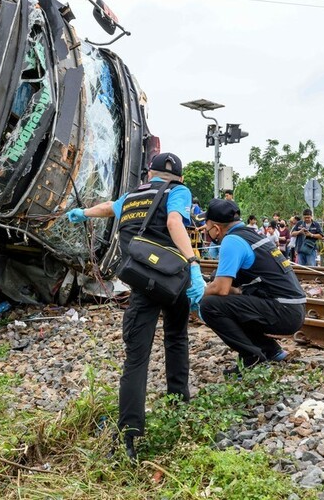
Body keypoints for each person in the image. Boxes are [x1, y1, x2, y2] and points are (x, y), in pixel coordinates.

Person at [66, 152, 205, 461]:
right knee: (176, 339)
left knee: (136, 359)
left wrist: (82, 213)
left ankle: (129, 436)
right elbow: (173, 221)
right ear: (178, 178)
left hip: (142, 283)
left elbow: (107, 208)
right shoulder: (178, 191)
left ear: (150, 175)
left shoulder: (132, 195)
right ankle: (178, 407)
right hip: (174, 280)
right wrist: (193, 264)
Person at [198, 199, 306, 376]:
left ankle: (252, 358)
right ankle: (271, 350)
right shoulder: (251, 235)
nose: (206, 231)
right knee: (230, 303)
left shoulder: (232, 241)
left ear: (216, 228)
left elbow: (221, 289)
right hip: (293, 308)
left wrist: (198, 294)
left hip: (283, 310)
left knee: (210, 305)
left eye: (207, 227)